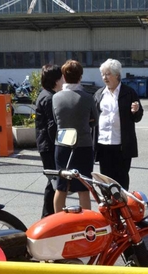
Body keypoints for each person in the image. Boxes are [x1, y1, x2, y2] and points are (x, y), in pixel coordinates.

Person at [51, 60, 98, 213]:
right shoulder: (87, 97)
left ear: (64, 76)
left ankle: (58, 222)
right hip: (83, 145)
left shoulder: (56, 98)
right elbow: (95, 120)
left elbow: (56, 120)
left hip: (62, 144)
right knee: (83, 188)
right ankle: (85, 223)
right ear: (80, 76)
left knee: (61, 186)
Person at [93, 58, 144, 190]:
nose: (105, 77)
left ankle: (122, 207)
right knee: (105, 179)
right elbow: (93, 117)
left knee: (121, 177)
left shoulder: (128, 93)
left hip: (122, 145)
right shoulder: (99, 94)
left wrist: (136, 111)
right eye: (103, 74)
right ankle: (109, 207)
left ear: (117, 75)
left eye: (108, 74)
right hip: (103, 143)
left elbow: (138, 117)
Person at [35, 64, 63, 217]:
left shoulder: (45, 95)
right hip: (49, 146)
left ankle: (49, 214)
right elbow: (52, 126)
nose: (64, 79)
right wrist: (60, 144)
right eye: (61, 77)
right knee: (54, 182)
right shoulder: (50, 98)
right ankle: (48, 215)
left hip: (45, 144)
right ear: (56, 80)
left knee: (53, 181)